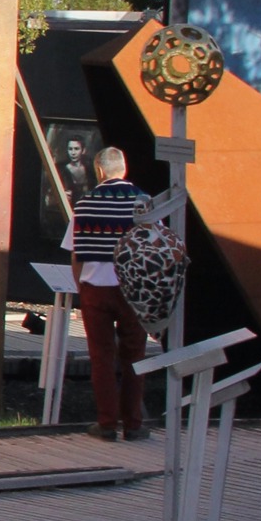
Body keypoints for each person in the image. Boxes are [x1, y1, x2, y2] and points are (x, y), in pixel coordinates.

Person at [64, 145, 152, 442]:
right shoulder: (143, 203)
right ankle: (133, 424)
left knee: (101, 356)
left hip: (95, 289)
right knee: (135, 356)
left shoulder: (85, 204)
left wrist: (81, 288)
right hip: (133, 290)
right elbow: (155, 248)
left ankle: (106, 424)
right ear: (124, 169)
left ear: (99, 170)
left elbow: (76, 254)